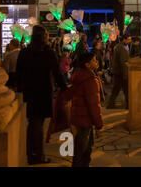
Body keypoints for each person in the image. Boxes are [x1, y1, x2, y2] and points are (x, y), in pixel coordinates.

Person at [16, 25, 68, 165]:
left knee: (32, 123)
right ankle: (37, 156)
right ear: (43, 36)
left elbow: (18, 73)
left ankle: (30, 153)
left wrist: (18, 89)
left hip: (29, 92)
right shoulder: (48, 52)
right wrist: (65, 89)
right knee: (37, 125)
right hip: (43, 92)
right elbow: (57, 73)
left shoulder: (25, 52)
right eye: (46, 34)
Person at [66, 52, 103, 167]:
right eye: (94, 60)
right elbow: (94, 104)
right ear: (87, 64)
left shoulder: (79, 75)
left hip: (78, 116)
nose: (96, 62)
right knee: (82, 151)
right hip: (85, 119)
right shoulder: (90, 80)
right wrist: (98, 124)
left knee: (82, 148)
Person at [107, 35, 131, 109]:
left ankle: (111, 104)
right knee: (125, 89)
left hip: (118, 72)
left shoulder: (119, 47)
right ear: (124, 39)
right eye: (128, 39)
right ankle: (128, 104)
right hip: (120, 72)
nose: (129, 41)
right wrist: (125, 74)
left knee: (117, 89)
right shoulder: (121, 48)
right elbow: (123, 62)